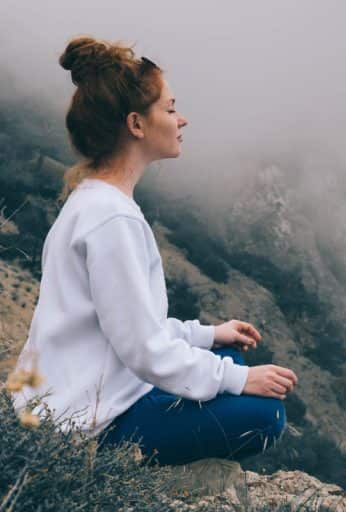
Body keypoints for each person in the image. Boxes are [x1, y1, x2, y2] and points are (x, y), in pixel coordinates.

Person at [9, 35, 298, 466]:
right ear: (136, 125)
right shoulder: (113, 220)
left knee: (227, 356)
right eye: (170, 108)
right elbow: (142, 348)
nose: (182, 120)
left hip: (75, 400)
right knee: (265, 414)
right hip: (85, 426)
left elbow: (127, 327)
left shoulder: (94, 202)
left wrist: (207, 334)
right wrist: (236, 379)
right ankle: (116, 466)